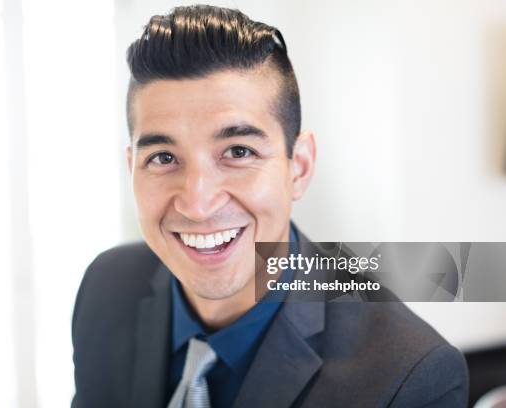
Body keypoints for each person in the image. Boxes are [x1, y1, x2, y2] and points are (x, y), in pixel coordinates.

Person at [71, 5, 468, 407]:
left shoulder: (408, 378)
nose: (197, 204)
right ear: (131, 168)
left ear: (299, 166)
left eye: (238, 151)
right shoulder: (106, 286)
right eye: (162, 158)